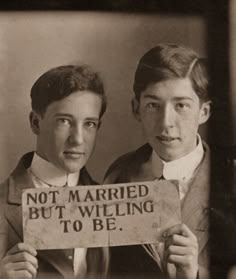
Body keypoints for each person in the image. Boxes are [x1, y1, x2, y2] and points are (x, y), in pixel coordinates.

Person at [104, 43, 212, 279]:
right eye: (153, 105)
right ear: (136, 108)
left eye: (181, 105)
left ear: (204, 112)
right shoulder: (118, 175)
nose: (166, 123)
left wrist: (195, 274)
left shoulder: (228, 183)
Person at [0, 65, 109, 279]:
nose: (78, 139)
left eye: (89, 124)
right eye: (64, 121)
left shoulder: (114, 205)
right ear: (35, 122)